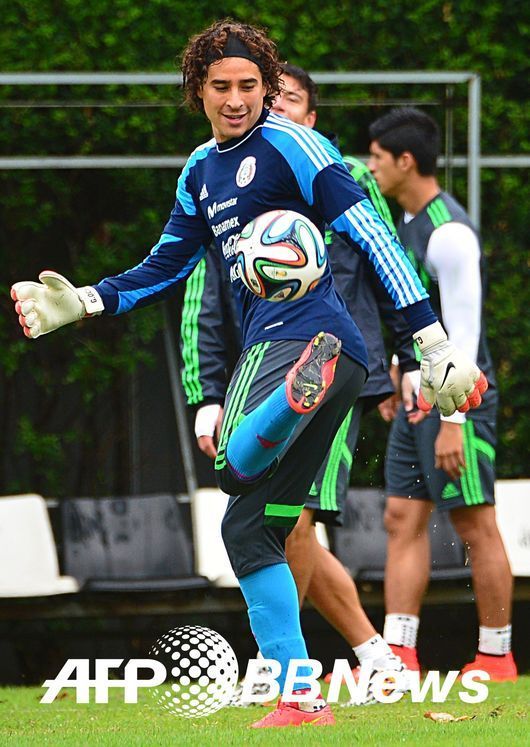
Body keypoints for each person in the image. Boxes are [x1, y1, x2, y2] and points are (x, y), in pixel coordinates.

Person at [11, 21, 487, 729]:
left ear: (267, 87)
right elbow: (166, 264)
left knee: (234, 470)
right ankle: (301, 696)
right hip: (330, 359)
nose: (236, 100)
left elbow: (372, 233)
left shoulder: (294, 144)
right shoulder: (200, 170)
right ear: (197, 90)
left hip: (303, 341)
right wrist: (87, 300)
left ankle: (291, 400)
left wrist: (430, 337)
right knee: (251, 529)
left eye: (249, 86)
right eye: (221, 87)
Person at [181, 63, 419, 703]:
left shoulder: (337, 172)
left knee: (287, 515)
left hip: (336, 366)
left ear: (310, 119)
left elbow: (385, 256)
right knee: (283, 520)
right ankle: (371, 657)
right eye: (269, 98)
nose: (267, 109)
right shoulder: (221, 181)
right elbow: (202, 294)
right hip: (268, 367)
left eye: (285, 100)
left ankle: (280, 667)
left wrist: (412, 353)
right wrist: (205, 395)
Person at [368, 107, 516, 682]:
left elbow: (464, 332)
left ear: (406, 161)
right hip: (419, 401)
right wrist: (399, 374)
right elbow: (418, 319)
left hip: (459, 403)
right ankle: (399, 655)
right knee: (400, 516)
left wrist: (454, 419)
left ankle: (497, 657)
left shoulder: (448, 232)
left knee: (475, 523)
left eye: (377, 158)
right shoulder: (404, 222)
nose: (371, 167)